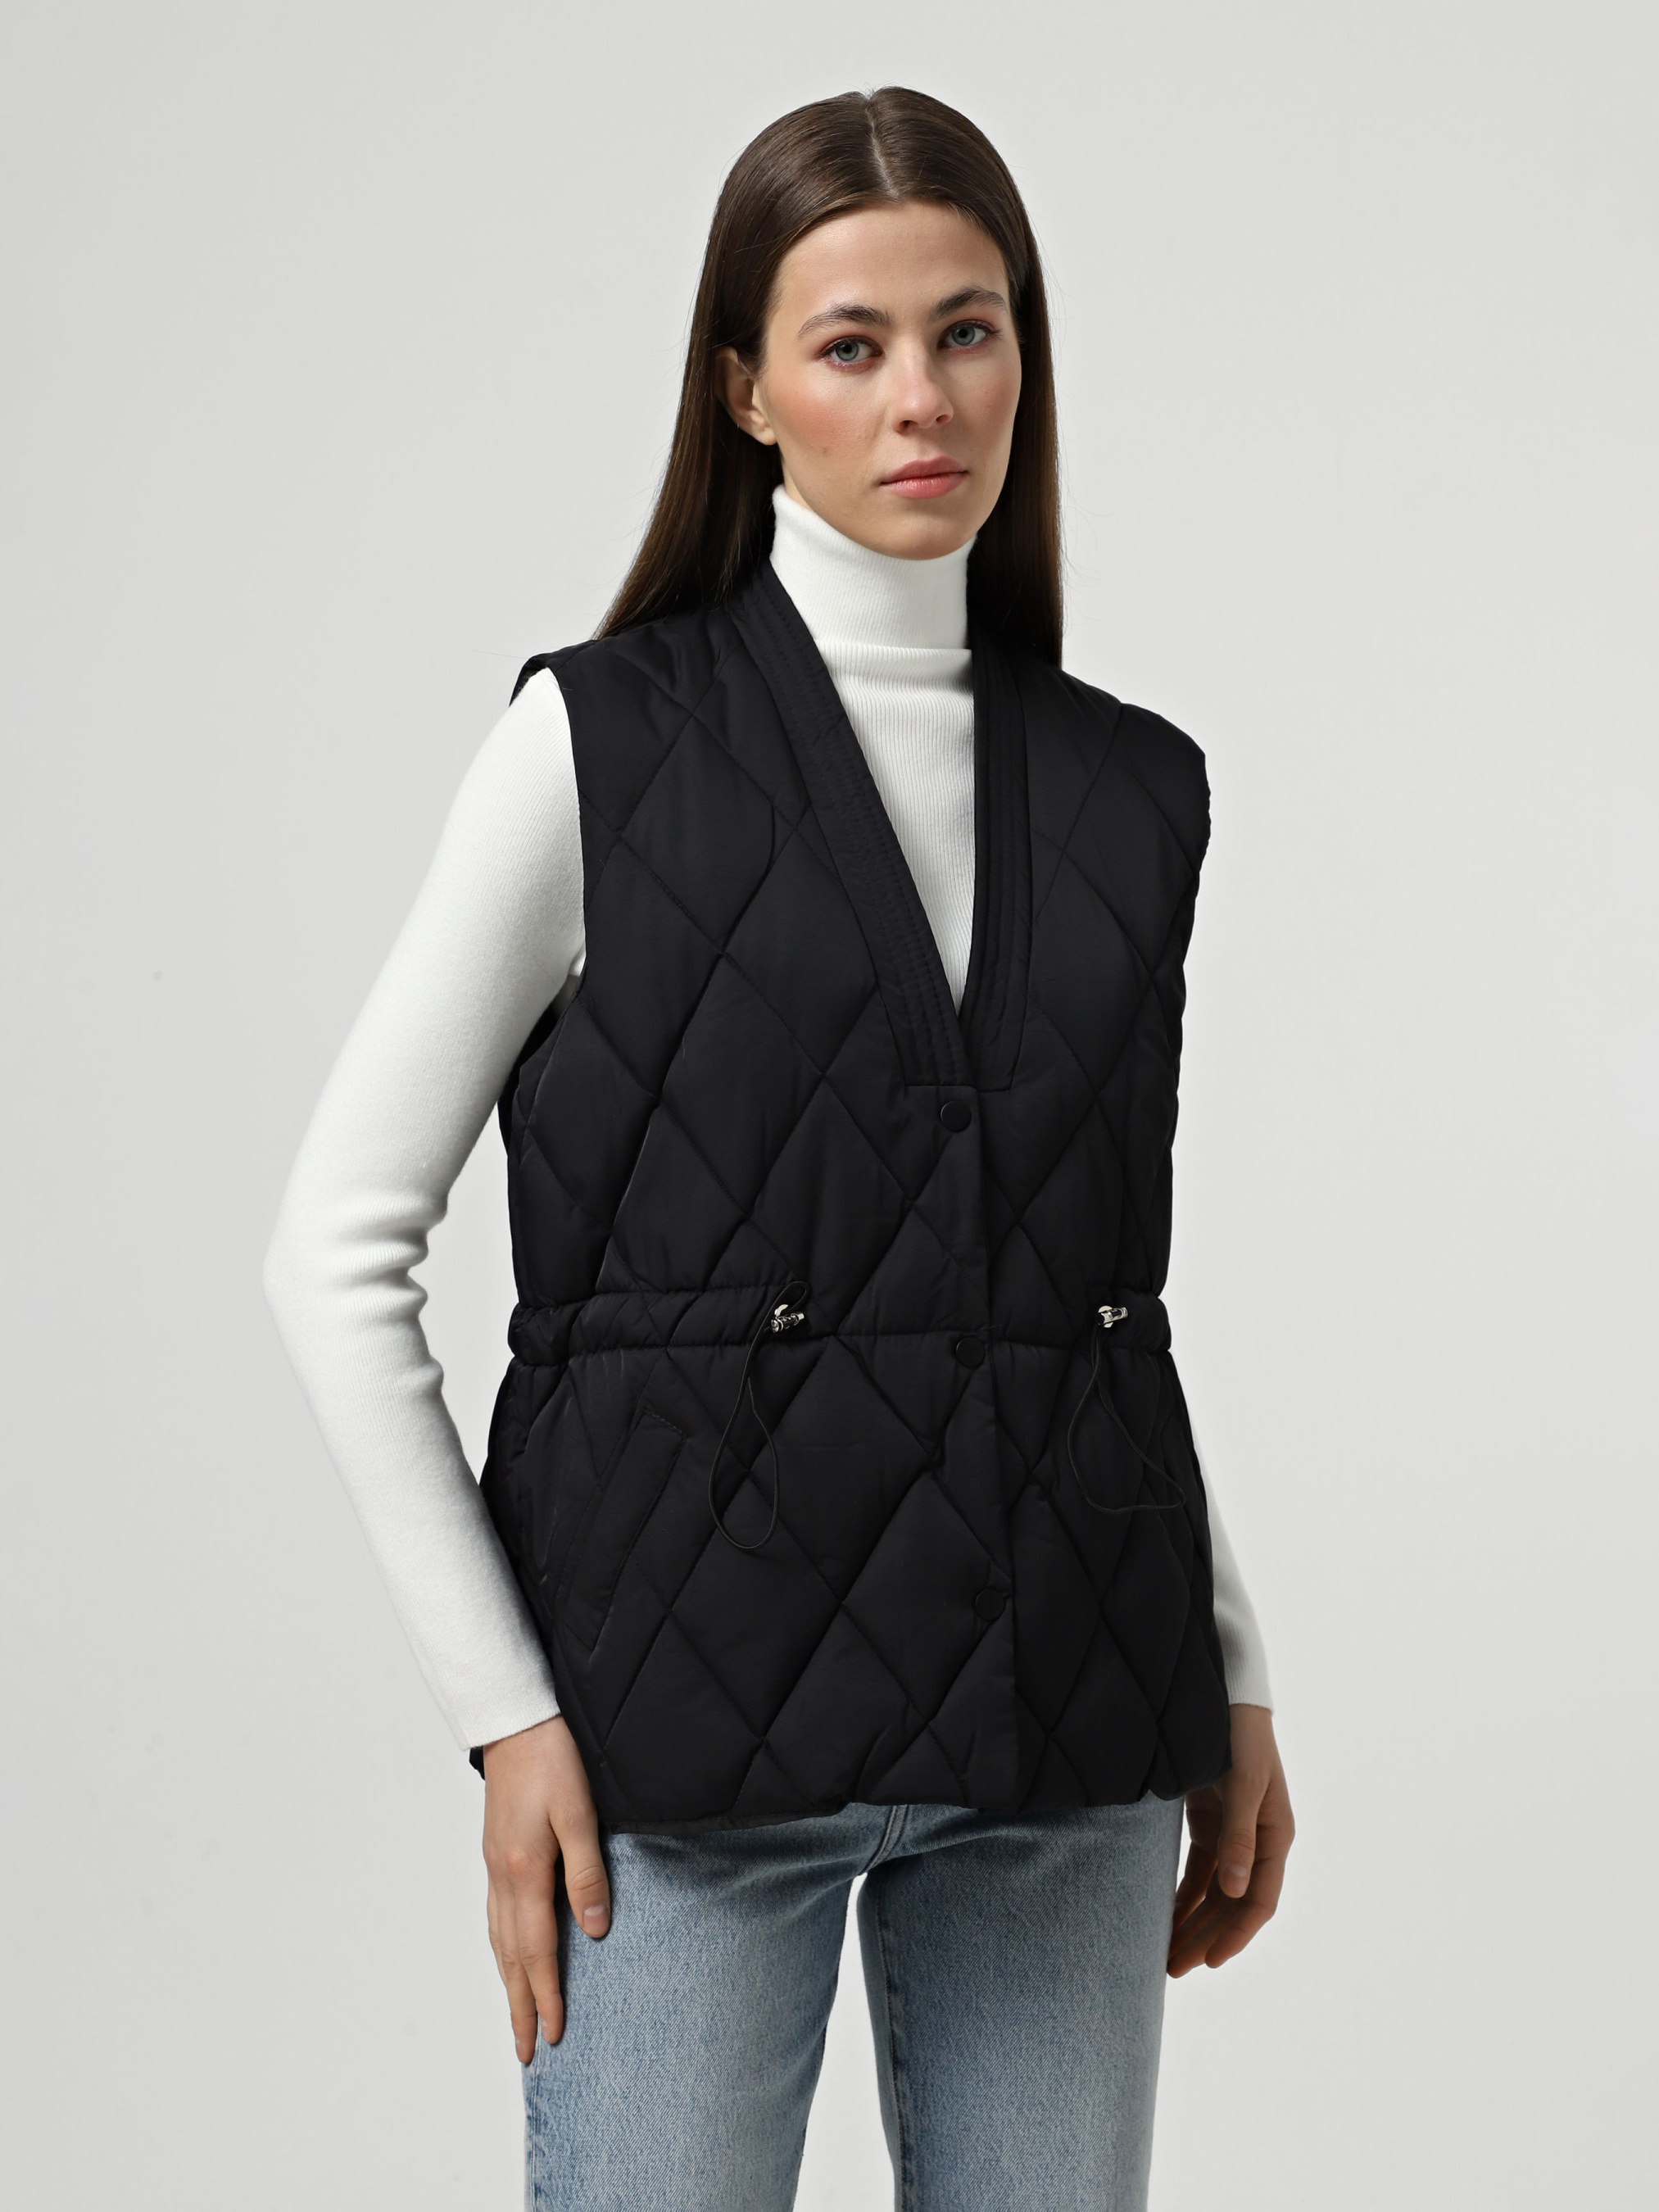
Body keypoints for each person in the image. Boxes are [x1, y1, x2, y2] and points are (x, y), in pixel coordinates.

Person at [265, 84, 1294, 2212]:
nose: (923, 396)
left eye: (969, 331)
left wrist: (1230, 1669)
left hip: (1072, 1731)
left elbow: (1095, 1297)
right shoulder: (594, 747)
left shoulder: (1134, 793)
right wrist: (507, 1718)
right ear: (744, 390)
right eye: (851, 343)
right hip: (677, 1752)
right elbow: (336, 1247)